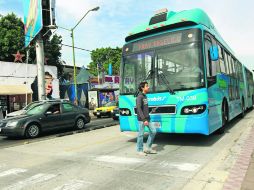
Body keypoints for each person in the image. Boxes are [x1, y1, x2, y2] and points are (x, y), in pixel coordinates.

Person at [136, 81, 157, 156]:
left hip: (148, 118)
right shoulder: (139, 97)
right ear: (142, 88)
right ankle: (139, 150)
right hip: (142, 119)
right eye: (147, 86)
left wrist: (151, 110)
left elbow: (144, 108)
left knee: (153, 131)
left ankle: (148, 148)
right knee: (141, 134)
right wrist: (144, 119)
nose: (148, 87)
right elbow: (139, 109)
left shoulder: (145, 96)